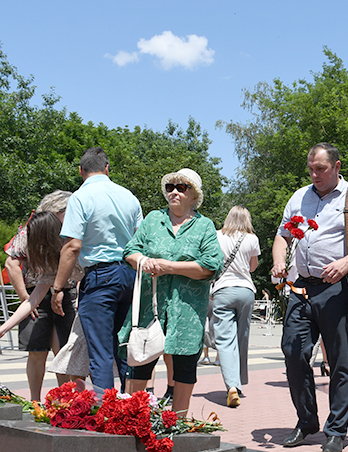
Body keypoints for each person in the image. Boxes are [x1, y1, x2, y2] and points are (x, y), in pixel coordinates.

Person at [271, 143, 348, 452]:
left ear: (336, 166)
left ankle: (336, 430)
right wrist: (279, 260)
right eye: (311, 168)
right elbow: (283, 234)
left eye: (320, 168)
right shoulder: (299, 196)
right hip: (300, 287)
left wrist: (346, 262)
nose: (314, 174)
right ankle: (307, 422)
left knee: (339, 361)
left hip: (337, 287)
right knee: (293, 351)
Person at [120, 168, 222, 415]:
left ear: (194, 195)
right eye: (170, 187)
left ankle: (178, 423)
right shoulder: (154, 219)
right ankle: (133, 419)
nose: (174, 192)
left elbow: (210, 265)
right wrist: (143, 260)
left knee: (185, 366)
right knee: (140, 361)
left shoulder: (204, 226)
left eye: (181, 187)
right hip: (150, 304)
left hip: (187, 309)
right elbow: (130, 250)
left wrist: (169, 267)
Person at [51, 148, 143, 392]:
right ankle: (132, 406)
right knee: (124, 346)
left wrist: (58, 287)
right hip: (130, 275)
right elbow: (140, 241)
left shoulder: (80, 198)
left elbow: (72, 246)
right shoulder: (129, 197)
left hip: (100, 277)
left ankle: (106, 411)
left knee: (100, 352)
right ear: (107, 168)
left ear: (80, 171)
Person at [1, 210, 82, 399]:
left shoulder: (70, 244)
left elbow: (83, 277)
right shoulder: (48, 259)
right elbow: (34, 299)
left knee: (66, 353)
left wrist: (72, 296)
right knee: (39, 351)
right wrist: (4, 328)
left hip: (83, 295)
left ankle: (71, 401)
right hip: (54, 294)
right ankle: (42, 401)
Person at [212, 205, 261, 408]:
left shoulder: (216, 235)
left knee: (224, 340)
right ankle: (239, 382)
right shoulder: (252, 239)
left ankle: (231, 385)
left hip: (223, 290)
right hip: (245, 290)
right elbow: (252, 266)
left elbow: (212, 262)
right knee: (242, 337)